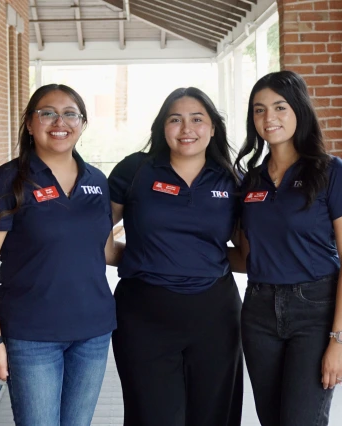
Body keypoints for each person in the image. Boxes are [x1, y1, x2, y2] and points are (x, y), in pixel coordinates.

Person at [0, 83, 121, 426]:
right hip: (31, 335)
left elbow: (106, 250)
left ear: (82, 123)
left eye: (70, 114)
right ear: (29, 123)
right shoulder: (6, 182)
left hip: (93, 331)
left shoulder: (97, 181)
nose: (59, 122)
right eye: (47, 113)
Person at [233, 70, 342, 426]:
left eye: (279, 107)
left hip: (315, 311)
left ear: (299, 111)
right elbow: (247, 254)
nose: (269, 118)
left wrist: (341, 340)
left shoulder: (331, 172)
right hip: (258, 311)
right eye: (259, 110)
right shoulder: (251, 181)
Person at [108, 87, 243, 426]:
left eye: (197, 119)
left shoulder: (231, 178)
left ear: (212, 128)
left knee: (214, 416)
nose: (187, 129)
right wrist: (141, 258)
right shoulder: (135, 170)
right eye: (176, 119)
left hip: (216, 316)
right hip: (143, 316)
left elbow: (246, 252)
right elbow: (95, 236)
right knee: (152, 416)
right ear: (162, 127)